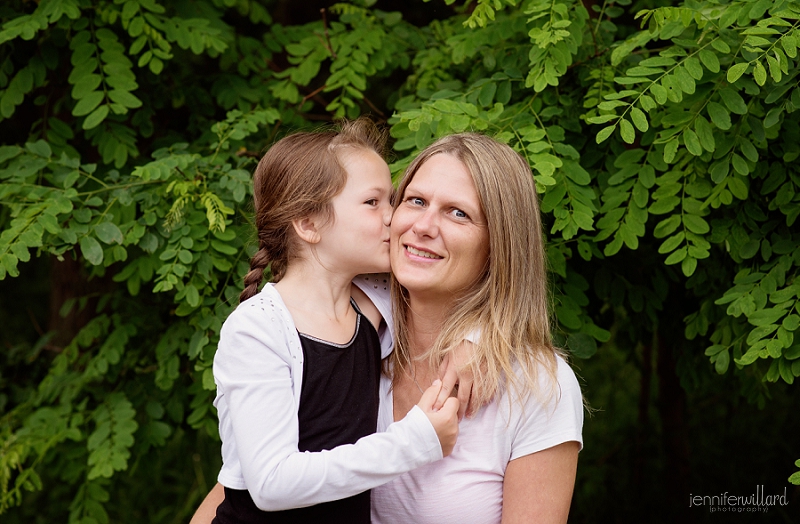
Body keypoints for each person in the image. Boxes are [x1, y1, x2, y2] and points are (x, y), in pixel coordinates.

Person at [209, 118, 461, 524]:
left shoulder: (375, 310)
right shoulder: (259, 329)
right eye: (372, 202)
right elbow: (272, 483)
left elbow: (464, 300)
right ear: (308, 224)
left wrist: (473, 341)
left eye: (392, 200)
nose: (393, 218)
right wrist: (412, 443)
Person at [372, 133, 583, 524]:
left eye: (458, 213)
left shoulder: (536, 386)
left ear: (499, 245)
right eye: (416, 201)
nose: (423, 225)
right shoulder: (355, 341)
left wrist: (482, 337)